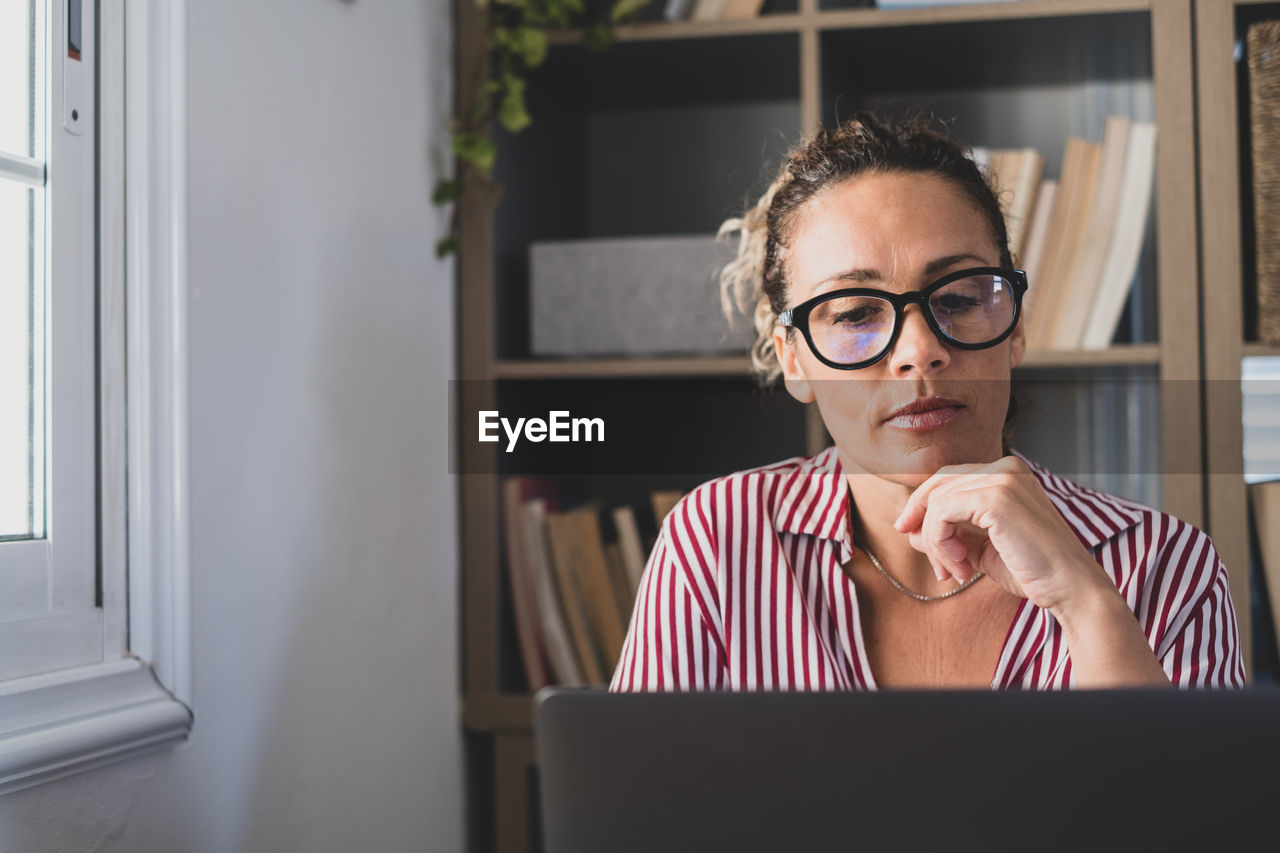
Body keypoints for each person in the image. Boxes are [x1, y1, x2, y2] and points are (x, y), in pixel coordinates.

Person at [609, 112, 1244, 691]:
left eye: (961, 298)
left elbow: (1190, 820)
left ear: (1016, 325)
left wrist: (1086, 602)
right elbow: (635, 813)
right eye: (856, 311)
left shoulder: (1167, 567)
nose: (919, 350)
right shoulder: (719, 542)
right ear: (794, 361)